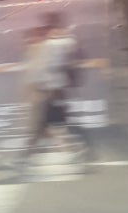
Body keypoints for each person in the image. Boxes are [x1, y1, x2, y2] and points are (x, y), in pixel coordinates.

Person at [13, 11, 92, 170]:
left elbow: (43, 71)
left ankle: (78, 151)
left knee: (48, 126)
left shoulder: (51, 45)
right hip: (55, 91)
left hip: (51, 92)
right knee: (46, 127)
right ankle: (25, 158)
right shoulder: (64, 41)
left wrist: (33, 88)